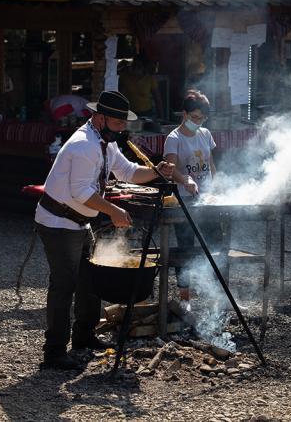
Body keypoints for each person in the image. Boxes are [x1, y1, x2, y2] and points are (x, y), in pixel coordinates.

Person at [34, 90, 174, 370]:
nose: (123, 129)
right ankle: (54, 352)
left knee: (90, 279)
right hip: (58, 221)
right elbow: (81, 192)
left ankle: (84, 337)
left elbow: (128, 172)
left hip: (78, 220)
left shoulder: (104, 141)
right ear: (100, 118)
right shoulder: (83, 145)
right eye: (118, 123)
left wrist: (156, 172)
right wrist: (114, 211)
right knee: (64, 285)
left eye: (124, 124)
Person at [163, 90, 222, 309]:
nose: (198, 122)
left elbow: (211, 164)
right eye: (194, 117)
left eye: (202, 118)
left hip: (207, 199)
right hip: (184, 201)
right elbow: (170, 170)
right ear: (184, 114)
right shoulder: (174, 138)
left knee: (217, 246)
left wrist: (217, 186)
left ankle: (220, 298)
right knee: (185, 249)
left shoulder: (205, 134)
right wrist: (185, 179)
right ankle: (185, 300)